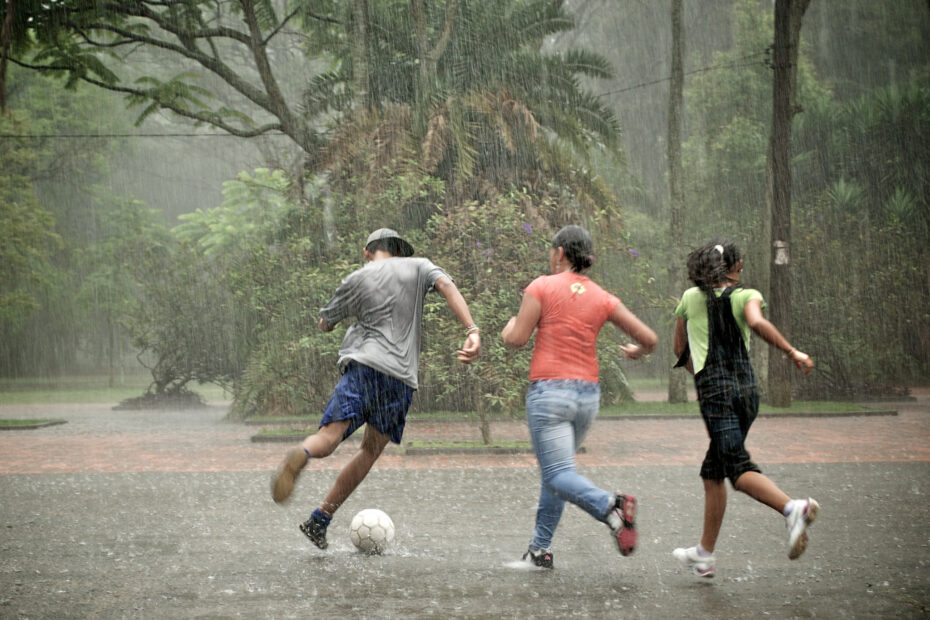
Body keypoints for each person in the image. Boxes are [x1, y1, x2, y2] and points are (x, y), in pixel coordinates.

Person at [271, 228, 481, 549]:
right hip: (399, 379)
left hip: (363, 369)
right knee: (369, 451)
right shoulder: (420, 266)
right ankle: (320, 519)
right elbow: (447, 286)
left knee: (329, 438)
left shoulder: (358, 278)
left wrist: (342, 314)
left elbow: (326, 323)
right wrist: (472, 329)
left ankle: (303, 453)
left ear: (368, 252)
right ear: (399, 251)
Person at [501, 225, 658, 569]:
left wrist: (508, 326)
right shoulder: (602, 296)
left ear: (559, 253)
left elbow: (517, 339)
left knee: (557, 475)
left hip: (550, 393)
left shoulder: (541, 286)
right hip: (587, 396)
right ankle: (539, 550)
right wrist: (638, 351)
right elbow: (650, 338)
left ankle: (610, 506)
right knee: (557, 474)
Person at [671, 239, 817, 578]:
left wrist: (704, 375)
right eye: (742, 262)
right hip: (748, 392)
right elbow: (756, 323)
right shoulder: (747, 296)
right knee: (712, 472)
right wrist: (791, 351)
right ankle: (704, 554)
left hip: (716, 394)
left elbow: (680, 348)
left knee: (736, 468)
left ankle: (792, 509)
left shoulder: (689, 299)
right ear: (733, 267)